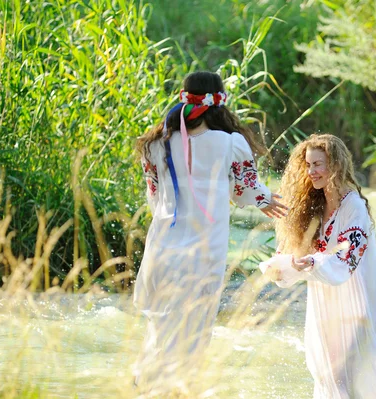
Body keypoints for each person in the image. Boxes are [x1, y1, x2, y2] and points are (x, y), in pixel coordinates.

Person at [132, 71, 287, 394]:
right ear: (219, 103)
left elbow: (154, 196)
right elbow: (245, 191)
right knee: (195, 329)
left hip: (163, 247)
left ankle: (146, 385)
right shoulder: (230, 143)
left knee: (160, 327)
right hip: (204, 252)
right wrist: (266, 200)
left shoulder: (155, 145)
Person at [263, 134, 376, 398]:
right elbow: (290, 255)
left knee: (357, 377)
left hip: (356, 304)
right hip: (324, 305)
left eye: (318, 164)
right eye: (307, 164)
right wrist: (279, 266)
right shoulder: (312, 207)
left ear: (336, 165)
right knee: (327, 375)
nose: (311, 171)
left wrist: (312, 262)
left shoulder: (354, 207)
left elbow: (346, 259)